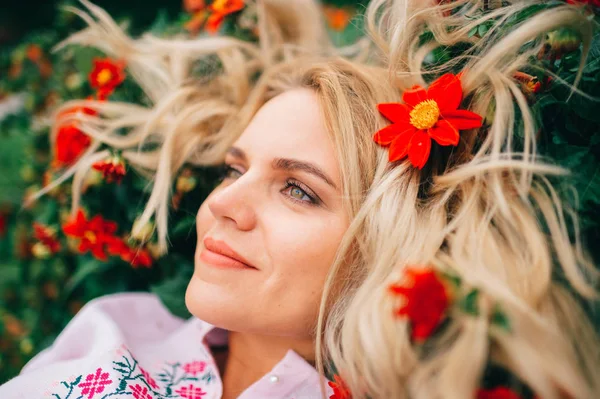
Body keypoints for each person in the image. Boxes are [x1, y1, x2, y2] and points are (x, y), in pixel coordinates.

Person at [1, 0, 599, 398]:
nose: (225, 204)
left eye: (298, 189)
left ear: (384, 243)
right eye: (235, 169)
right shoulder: (115, 325)